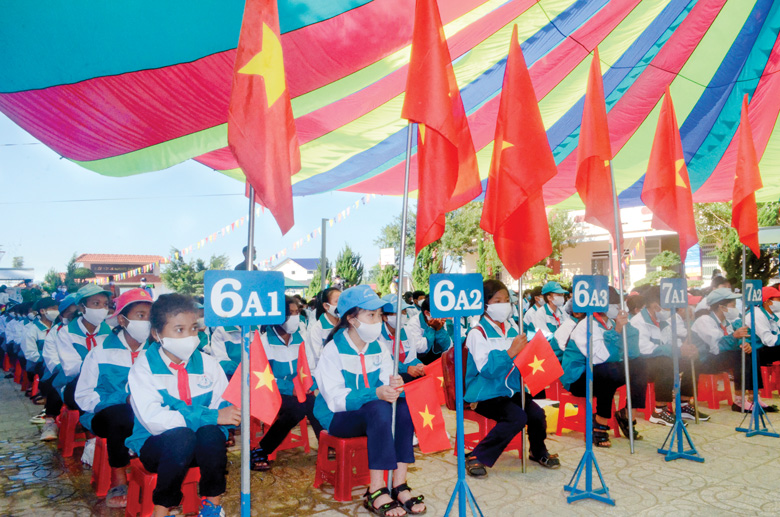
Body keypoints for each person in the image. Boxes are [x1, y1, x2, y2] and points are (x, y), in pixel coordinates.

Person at [314, 285, 425, 516]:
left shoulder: (381, 348)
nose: (377, 321)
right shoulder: (333, 350)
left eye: (378, 315)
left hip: (373, 414)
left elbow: (387, 382)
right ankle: (375, 489)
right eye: (370, 315)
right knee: (378, 408)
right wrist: (375, 393)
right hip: (338, 418)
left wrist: (395, 387)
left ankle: (399, 484)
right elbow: (335, 400)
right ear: (351, 319)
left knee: (403, 407)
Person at [127, 294, 240, 517]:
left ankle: (212, 507)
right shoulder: (143, 368)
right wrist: (210, 416)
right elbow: (155, 421)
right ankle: (162, 510)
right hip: (158, 448)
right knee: (182, 437)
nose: (189, 336)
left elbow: (223, 409)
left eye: (194, 328)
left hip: (201, 448)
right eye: (179, 329)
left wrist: (218, 418)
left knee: (212, 435)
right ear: (157, 334)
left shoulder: (209, 364)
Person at [463, 280, 559, 478]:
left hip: (511, 389)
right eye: (497, 300)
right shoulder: (477, 333)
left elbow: (524, 357)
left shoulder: (513, 327)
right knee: (516, 417)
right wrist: (510, 352)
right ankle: (477, 456)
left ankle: (537, 451)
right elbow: (487, 370)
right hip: (485, 393)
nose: (504, 304)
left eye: (506, 300)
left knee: (537, 414)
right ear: (485, 304)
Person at [75, 288, 153, 508]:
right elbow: (83, 397)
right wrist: (122, 398)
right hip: (106, 418)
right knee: (121, 414)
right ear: (122, 319)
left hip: (146, 415)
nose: (146, 322)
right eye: (140, 315)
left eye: (150, 316)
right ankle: (118, 478)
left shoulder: (157, 352)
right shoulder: (101, 353)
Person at [561, 287, 646, 447]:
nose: (619, 309)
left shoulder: (610, 323)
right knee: (609, 369)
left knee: (639, 365)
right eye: (614, 305)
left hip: (601, 373)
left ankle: (627, 416)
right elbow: (601, 357)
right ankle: (599, 424)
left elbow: (632, 352)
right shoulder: (586, 325)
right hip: (578, 378)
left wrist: (626, 329)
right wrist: (618, 331)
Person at [250, 297, 323, 471]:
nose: (295, 317)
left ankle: (326, 442)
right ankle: (263, 448)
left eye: (297, 312)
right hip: (272, 392)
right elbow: (260, 376)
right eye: (290, 314)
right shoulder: (264, 341)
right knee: (301, 406)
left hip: (298, 391)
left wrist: (309, 384)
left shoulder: (301, 337)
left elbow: (310, 367)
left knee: (313, 402)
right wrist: (288, 387)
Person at [629, 287, 708, 426]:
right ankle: (660, 410)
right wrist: (677, 350)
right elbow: (645, 349)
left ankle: (684, 404)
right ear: (655, 306)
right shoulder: (638, 322)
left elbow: (672, 341)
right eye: (667, 308)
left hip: (658, 359)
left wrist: (685, 349)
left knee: (692, 358)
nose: (670, 312)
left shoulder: (663, 322)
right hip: (640, 364)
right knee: (665, 362)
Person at [691, 288, 755, 412]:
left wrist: (743, 344)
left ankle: (753, 397)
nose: (735, 309)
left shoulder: (726, 322)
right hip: (702, 361)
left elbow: (731, 341)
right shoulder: (704, 320)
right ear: (722, 307)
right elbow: (716, 348)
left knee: (749, 353)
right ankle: (739, 400)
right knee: (739, 356)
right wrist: (734, 337)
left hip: (716, 359)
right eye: (733, 305)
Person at [57, 284, 113, 411]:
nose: (102, 309)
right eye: (96, 304)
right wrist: (98, 367)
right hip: (76, 384)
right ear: (82, 307)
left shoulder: (111, 333)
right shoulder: (67, 333)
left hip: (106, 383)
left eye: (105, 304)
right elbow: (71, 368)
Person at [39, 294, 80, 441]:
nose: (76, 317)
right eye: (71, 314)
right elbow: (51, 357)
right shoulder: (55, 332)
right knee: (56, 384)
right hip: (60, 371)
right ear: (62, 315)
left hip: (86, 374)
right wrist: (67, 371)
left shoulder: (93, 331)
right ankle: (50, 421)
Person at [743, 286, 780, 412]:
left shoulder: (771, 314)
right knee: (752, 357)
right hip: (751, 350)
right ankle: (753, 398)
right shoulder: (757, 314)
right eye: (778, 299)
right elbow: (769, 340)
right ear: (767, 301)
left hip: (762, 348)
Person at [377, 294, 424, 383]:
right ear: (385, 317)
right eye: (398, 313)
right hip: (385, 378)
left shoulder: (407, 330)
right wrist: (406, 368)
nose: (402, 315)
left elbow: (411, 357)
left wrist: (418, 365)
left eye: (404, 312)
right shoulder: (378, 336)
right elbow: (386, 361)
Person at [21, 298, 59, 400]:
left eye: (57, 308)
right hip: (39, 363)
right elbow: (30, 353)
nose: (56, 311)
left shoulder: (58, 328)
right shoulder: (32, 330)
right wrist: (48, 357)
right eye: (53, 308)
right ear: (42, 311)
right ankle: (48, 396)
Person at [530, 282, 571, 360]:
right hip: (548, 356)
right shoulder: (540, 314)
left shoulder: (562, 312)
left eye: (562, 295)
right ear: (549, 298)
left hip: (562, 354)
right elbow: (545, 338)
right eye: (559, 295)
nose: (562, 297)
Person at [405, 298, 452, 365]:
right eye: (438, 313)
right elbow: (420, 349)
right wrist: (431, 328)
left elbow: (447, 346)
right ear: (427, 313)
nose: (442, 317)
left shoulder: (440, 321)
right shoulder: (413, 323)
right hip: (420, 363)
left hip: (438, 361)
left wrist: (439, 329)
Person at [306, 288, 341, 368]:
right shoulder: (317, 328)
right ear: (326, 306)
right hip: (326, 370)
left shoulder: (346, 324)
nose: (341, 305)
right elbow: (318, 355)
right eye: (337, 302)